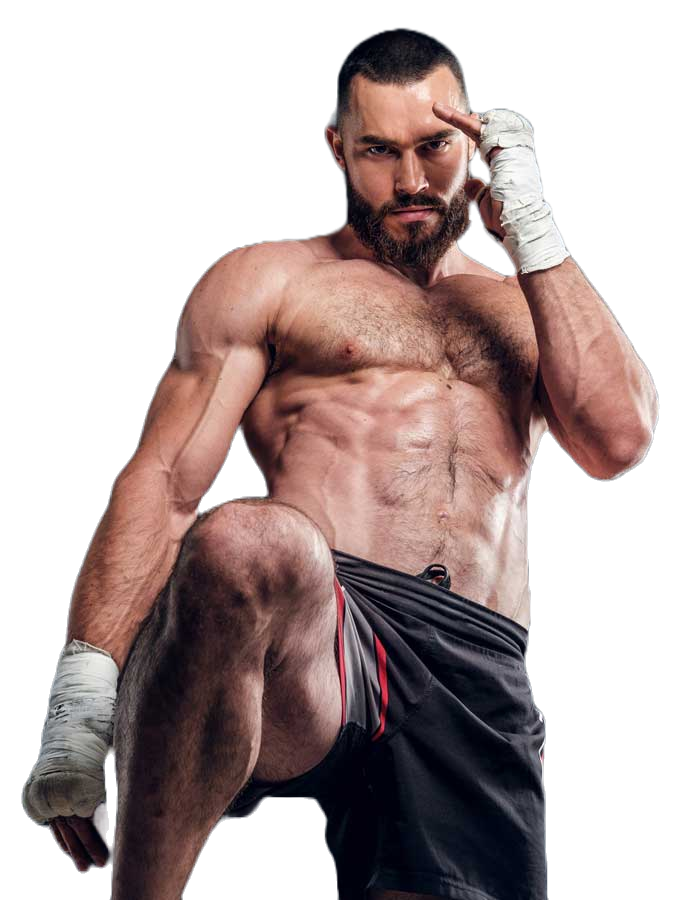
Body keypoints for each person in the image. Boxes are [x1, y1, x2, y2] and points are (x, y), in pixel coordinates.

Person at [22, 27, 658, 900]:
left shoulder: (524, 303)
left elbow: (615, 442)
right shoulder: (273, 279)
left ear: (475, 143)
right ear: (336, 148)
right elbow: (166, 483)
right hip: (318, 635)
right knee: (250, 540)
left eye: (434, 147)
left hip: (473, 664)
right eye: (377, 151)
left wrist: (530, 227)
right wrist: (81, 699)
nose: (410, 180)